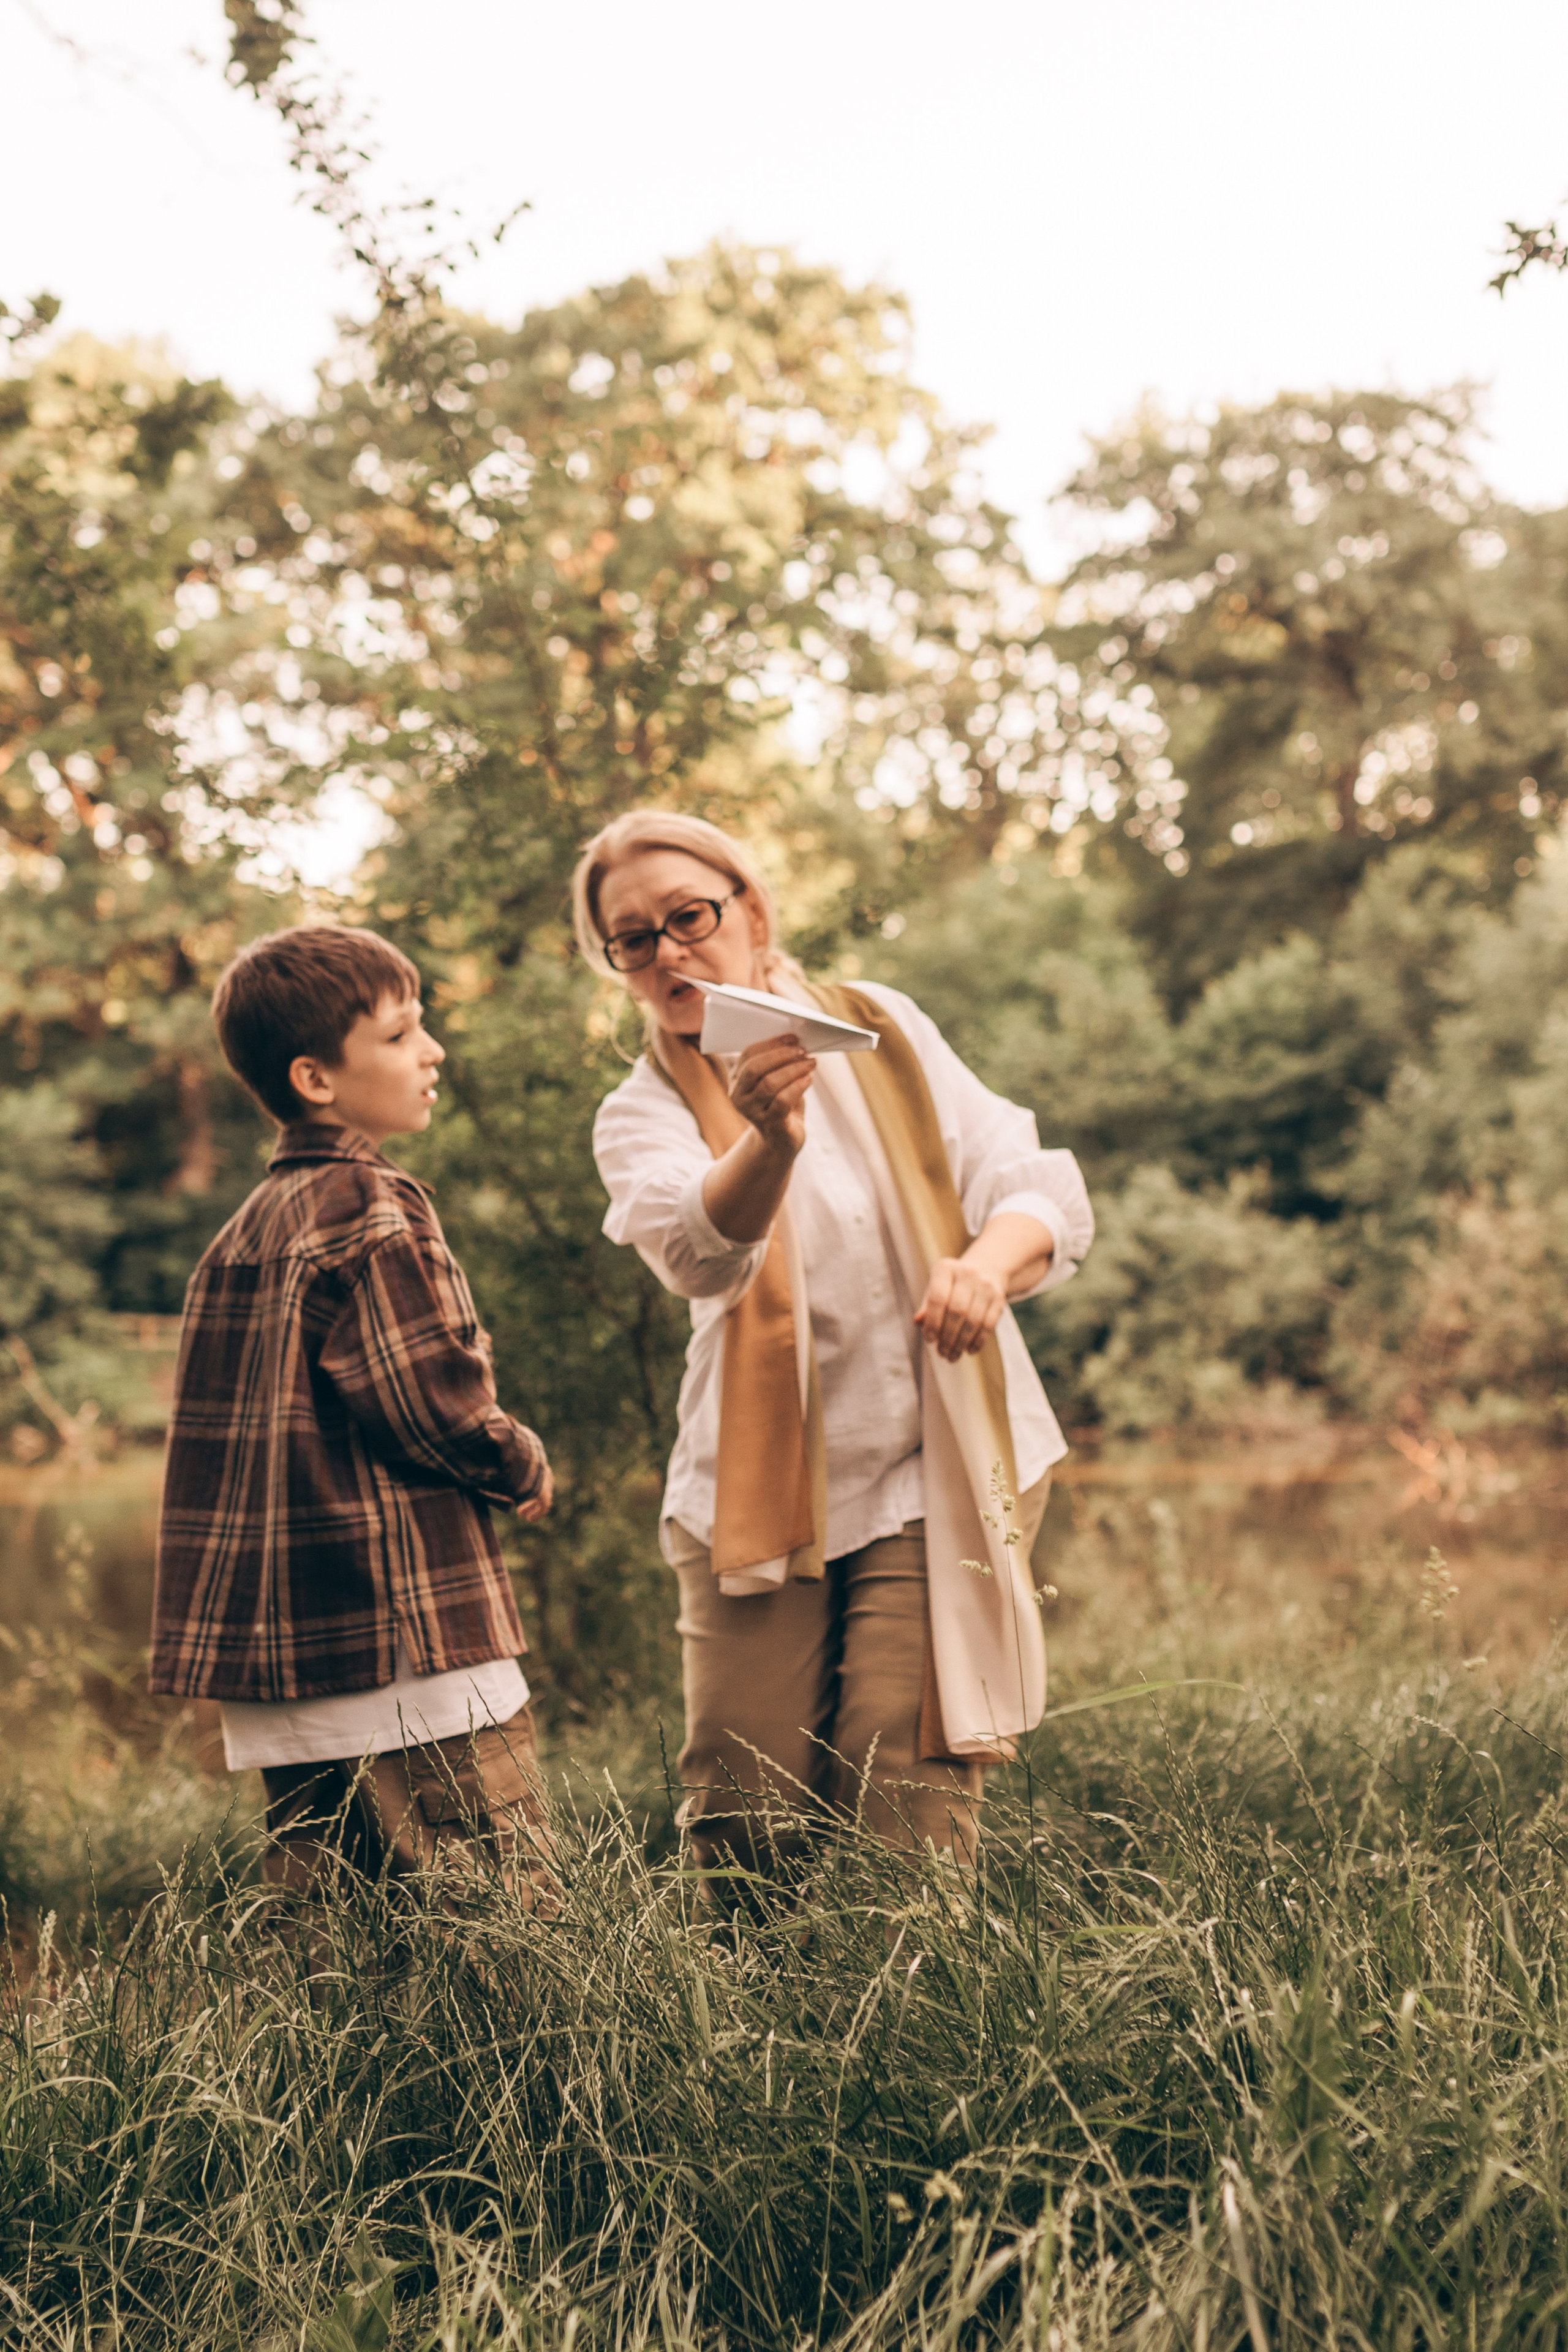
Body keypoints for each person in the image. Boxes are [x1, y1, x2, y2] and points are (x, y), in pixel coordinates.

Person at [579, 811, 1094, 1882]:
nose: (670, 951)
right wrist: (769, 1140)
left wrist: (985, 1267)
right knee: (744, 1832)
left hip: (934, 1467)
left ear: (752, 910)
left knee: (906, 1806)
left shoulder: (880, 1029)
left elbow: (1032, 1182)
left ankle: (915, 2037)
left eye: (689, 917)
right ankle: (751, 2048)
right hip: (755, 1497)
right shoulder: (641, 1112)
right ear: (618, 966)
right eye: (635, 939)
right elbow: (700, 1253)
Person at [149, 924, 554, 1904]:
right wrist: (520, 1463)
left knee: (338, 1950)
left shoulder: (238, 1237)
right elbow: (433, 1400)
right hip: (409, 1648)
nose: (433, 1051)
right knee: (513, 1933)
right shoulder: (375, 1204)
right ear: (315, 1078)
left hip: (291, 1666)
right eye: (402, 1034)